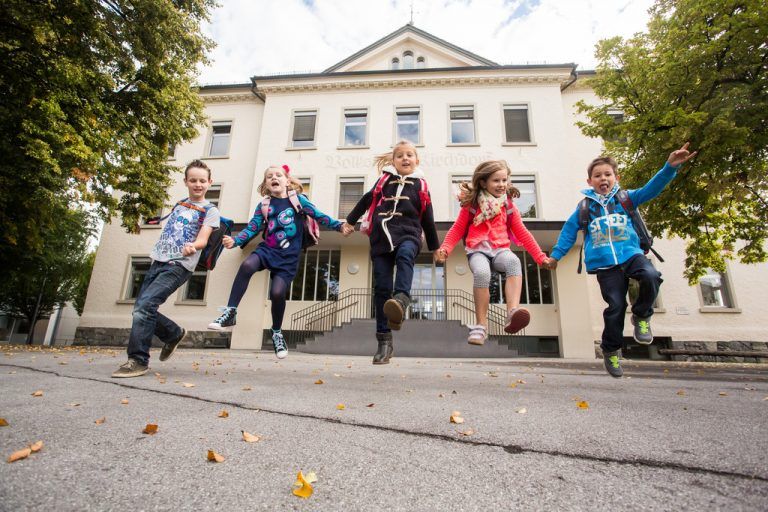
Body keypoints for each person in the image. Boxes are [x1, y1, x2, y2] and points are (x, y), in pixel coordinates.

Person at [544, 143, 697, 377]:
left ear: (616, 177)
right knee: (616, 306)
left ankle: (642, 314)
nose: (602, 179)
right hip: (605, 264)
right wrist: (555, 256)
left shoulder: (627, 198)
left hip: (631, 254)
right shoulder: (585, 207)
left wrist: (669, 167)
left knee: (651, 275)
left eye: (607, 174)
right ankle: (611, 350)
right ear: (589, 182)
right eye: (597, 176)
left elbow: (651, 189)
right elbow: (568, 232)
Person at [207, 164, 352, 359]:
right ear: (266, 184)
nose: (274, 178)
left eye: (278, 175)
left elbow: (319, 216)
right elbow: (252, 228)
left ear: (287, 181)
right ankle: (231, 311)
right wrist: (236, 240)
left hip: (288, 258)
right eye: (269, 176)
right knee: (247, 265)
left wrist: (339, 226)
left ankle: (276, 332)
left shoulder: (298, 201)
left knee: (277, 293)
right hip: (267, 250)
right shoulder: (264, 205)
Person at [112, 160, 220, 378]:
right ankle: (173, 333)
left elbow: (203, 239)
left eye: (202, 181)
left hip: (179, 264)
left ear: (209, 182)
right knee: (141, 309)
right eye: (193, 180)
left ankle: (138, 360)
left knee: (144, 307)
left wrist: (193, 246)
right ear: (186, 182)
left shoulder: (210, 211)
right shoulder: (180, 203)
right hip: (158, 261)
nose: (197, 184)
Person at [435, 160, 553, 345]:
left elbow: (522, 232)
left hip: (500, 250)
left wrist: (540, 257)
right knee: (482, 273)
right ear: (483, 182)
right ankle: (481, 326)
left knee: (514, 262)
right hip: (477, 251)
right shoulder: (472, 205)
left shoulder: (508, 206)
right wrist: (445, 249)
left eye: (504, 180)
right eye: (496, 181)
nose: (501, 185)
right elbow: (457, 228)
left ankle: (512, 312)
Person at [344, 140, 439, 364]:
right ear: (393, 161)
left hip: (409, 233)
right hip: (381, 236)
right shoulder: (384, 181)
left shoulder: (421, 186)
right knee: (382, 288)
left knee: (406, 255)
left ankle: (402, 299)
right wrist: (349, 221)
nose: (405, 159)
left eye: (409, 155)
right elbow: (367, 199)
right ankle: (384, 343)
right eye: (400, 156)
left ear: (417, 160)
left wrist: (435, 248)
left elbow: (428, 217)